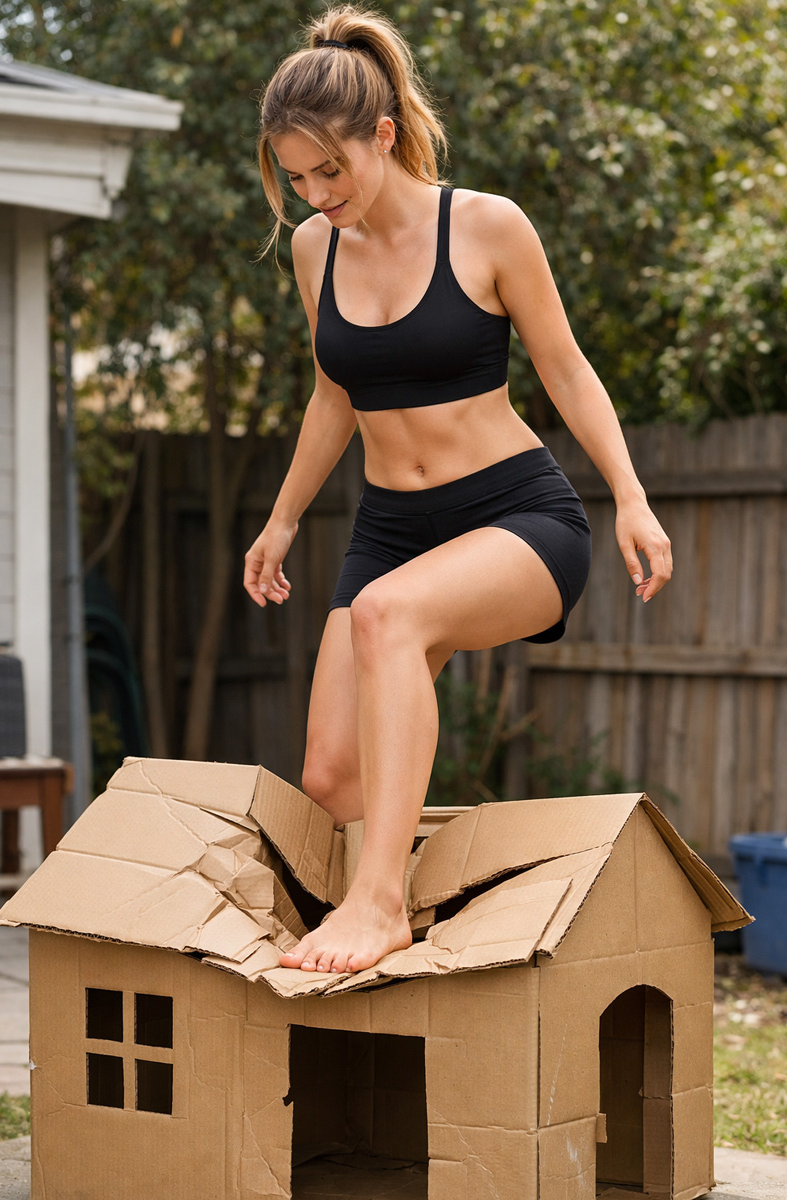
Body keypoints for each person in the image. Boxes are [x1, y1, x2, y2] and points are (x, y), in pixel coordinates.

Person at [244, 3, 672, 976]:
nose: (316, 194)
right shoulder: (318, 250)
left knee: (389, 618)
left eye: (329, 169)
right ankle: (431, 905)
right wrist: (278, 522)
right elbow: (332, 393)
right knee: (329, 773)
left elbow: (565, 370)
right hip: (389, 526)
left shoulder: (484, 227)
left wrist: (632, 497)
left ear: (381, 135)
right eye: (296, 177)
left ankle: (378, 904)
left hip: (515, 517)